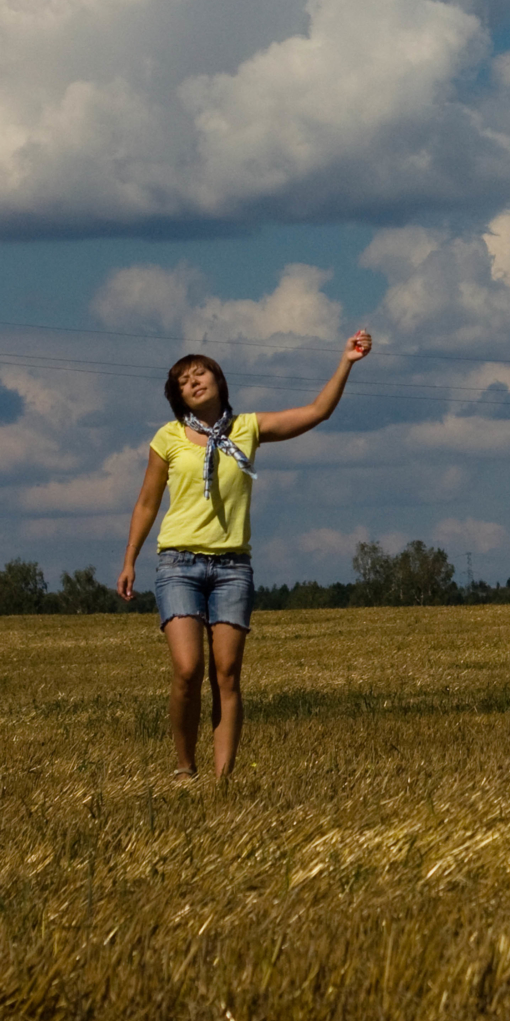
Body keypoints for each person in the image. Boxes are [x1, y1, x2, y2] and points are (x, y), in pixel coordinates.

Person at [116, 330, 372, 781]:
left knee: (228, 673)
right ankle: (183, 767)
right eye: (184, 381)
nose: (194, 382)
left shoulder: (248, 429)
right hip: (178, 563)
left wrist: (346, 362)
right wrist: (129, 559)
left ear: (219, 379)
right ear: (178, 399)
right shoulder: (169, 437)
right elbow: (146, 503)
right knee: (188, 668)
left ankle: (221, 781)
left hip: (233, 568)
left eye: (201, 373)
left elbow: (317, 412)